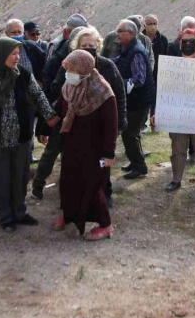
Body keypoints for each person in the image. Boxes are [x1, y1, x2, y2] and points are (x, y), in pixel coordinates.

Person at [0, 38, 58, 232]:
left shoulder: (23, 75)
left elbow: (38, 96)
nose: (16, 58)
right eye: (12, 53)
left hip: (21, 137)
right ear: (0, 54)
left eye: (18, 54)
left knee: (20, 176)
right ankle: (6, 217)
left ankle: (20, 211)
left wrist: (50, 117)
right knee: (0, 179)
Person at [33, 27, 127, 200]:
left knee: (101, 160)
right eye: (84, 45)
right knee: (52, 152)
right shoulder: (69, 65)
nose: (88, 47)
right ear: (77, 47)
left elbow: (118, 94)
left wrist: (120, 121)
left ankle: (105, 192)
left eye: (91, 45)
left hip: (94, 124)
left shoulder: (107, 66)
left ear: (98, 46)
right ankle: (38, 184)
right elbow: (55, 89)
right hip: (67, 119)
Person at [52, 50, 118, 240]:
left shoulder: (103, 92)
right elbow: (60, 107)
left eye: (71, 69)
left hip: (95, 150)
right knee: (69, 180)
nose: (67, 72)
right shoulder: (70, 86)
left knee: (92, 187)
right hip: (72, 145)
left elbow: (111, 126)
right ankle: (69, 214)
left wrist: (108, 153)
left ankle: (105, 225)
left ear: (82, 69)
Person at [155, 28, 195, 196]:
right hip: (178, 117)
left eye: (192, 41)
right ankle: (176, 180)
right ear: (179, 43)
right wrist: (158, 113)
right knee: (178, 149)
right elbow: (164, 93)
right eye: (185, 41)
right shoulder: (171, 68)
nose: (188, 44)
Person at [112, 20, 155, 180]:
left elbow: (139, 79)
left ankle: (139, 166)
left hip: (140, 101)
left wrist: (118, 83)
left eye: (120, 31)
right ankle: (136, 162)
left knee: (129, 134)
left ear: (130, 33)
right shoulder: (128, 48)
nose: (117, 34)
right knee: (132, 133)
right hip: (135, 100)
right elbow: (119, 60)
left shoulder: (136, 51)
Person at [143, 14, 168, 118]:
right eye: (150, 24)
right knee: (144, 99)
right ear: (144, 25)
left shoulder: (163, 40)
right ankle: (142, 123)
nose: (153, 26)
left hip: (159, 74)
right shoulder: (140, 39)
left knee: (157, 99)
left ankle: (155, 121)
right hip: (144, 74)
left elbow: (167, 56)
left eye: (155, 23)